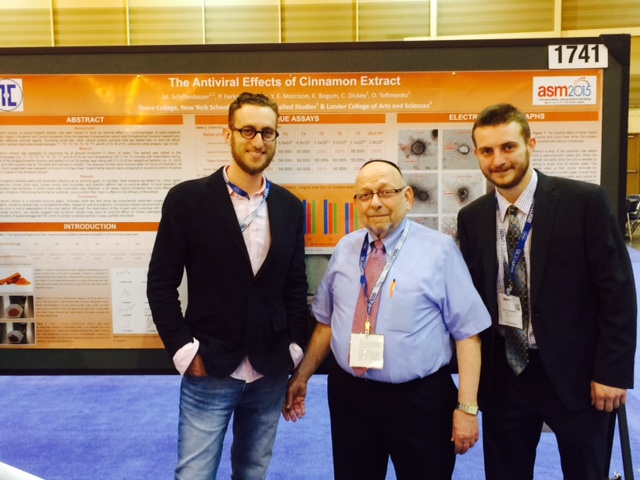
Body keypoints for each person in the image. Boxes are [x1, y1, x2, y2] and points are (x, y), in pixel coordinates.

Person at [456, 103, 637, 480]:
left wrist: (612, 371)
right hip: (506, 375)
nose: (498, 160)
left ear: (530, 144)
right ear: (477, 155)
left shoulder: (583, 202)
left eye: (508, 147)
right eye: (487, 151)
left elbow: (617, 293)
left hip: (579, 376)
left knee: (587, 472)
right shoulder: (472, 218)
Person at [283, 159, 491, 480]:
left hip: (419, 401)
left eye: (385, 192)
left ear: (407, 197)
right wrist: (302, 376)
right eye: (365, 195)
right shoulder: (345, 249)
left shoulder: (440, 250)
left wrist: (466, 408)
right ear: (356, 204)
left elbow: (468, 334)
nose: (375, 202)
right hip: (350, 397)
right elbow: (326, 322)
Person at [147, 92, 308, 480]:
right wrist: (185, 352)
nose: (258, 141)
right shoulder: (187, 199)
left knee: (253, 471)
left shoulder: (289, 206)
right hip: (210, 366)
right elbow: (160, 283)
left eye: (268, 133)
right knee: (194, 474)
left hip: (269, 369)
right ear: (228, 133)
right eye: (248, 130)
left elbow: (295, 284)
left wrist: (294, 348)